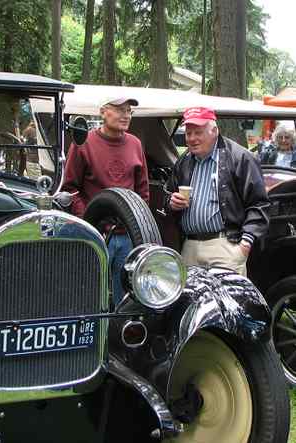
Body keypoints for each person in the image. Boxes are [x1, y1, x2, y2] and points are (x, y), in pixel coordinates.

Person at [63, 97, 149, 305]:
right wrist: (89, 221)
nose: (126, 115)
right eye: (120, 110)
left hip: (127, 235)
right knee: (89, 294)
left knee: (127, 297)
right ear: (103, 112)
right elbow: (70, 188)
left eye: (129, 111)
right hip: (95, 235)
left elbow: (142, 191)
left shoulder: (135, 144)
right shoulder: (84, 143)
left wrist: (137, 226)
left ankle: (118, 335)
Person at [166, 106, 269, 276]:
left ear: (214, 131)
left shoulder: (239, 157)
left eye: (198, 133)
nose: (192, 139)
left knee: (226, 302)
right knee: (190, 301)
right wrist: (171, 202)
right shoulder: (184, 161)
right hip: (190, 246)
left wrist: (245, 244)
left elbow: (260, 204)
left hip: (225, 247)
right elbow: (167, 195)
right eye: (188, 133)